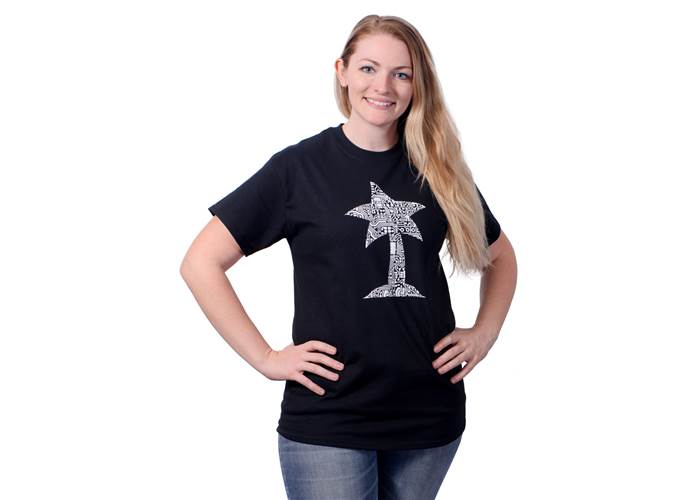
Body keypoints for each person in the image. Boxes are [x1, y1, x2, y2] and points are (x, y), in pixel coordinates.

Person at [180, 14, 517, 500]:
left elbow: (501, 257)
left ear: (418, 84)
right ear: (341, 71)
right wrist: (266, 358)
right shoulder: (298, 169)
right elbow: (201, 262)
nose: (383, 86)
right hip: (329, 415)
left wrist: (485, 332)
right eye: (368, 68)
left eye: (401, 74)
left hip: (429, 416)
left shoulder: (439, 170)